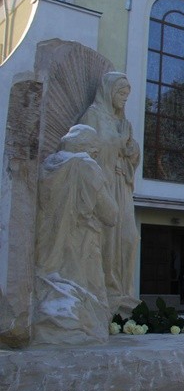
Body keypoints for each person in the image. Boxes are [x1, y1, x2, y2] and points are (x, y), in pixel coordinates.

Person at [33, 125, 118, 345]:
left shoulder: (47, 166)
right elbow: (110, 215)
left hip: (45, 245)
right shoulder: (85, 165)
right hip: (80, 245)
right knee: (85, 296)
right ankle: (81, 330)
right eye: (96, 151)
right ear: (87, 147)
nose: (96, 156)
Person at [78, 72, 141, 318]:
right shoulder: (93, 116)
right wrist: (118, 140)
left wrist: (131, 148)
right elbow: (86, 147)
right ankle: (106, 290)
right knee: (109, 236)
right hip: (103, 185)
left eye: (127, 95)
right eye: (121, 94)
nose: (124, 99)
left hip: (122, 185)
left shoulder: (122, 121)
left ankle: (125, 291)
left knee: (129, 237)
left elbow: (132, 153)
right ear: (108, 92)